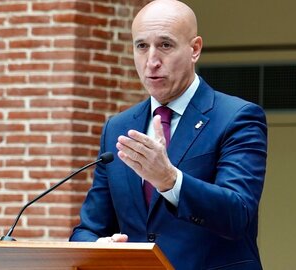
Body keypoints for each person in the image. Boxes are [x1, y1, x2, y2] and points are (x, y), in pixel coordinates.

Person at [69, 0, 267, 269]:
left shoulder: (237, 117)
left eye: (165, 45)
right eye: (141, 46)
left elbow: (237, 214)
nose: (151, 61)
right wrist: (96, 247)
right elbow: (88, 228)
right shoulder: (118, 127)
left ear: (194, 49)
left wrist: (170, 180)